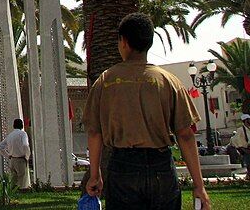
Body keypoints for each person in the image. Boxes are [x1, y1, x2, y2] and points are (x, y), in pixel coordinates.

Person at [83, 12, 210, 210]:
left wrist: (94, 175)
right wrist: (199, 186)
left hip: (122, 167)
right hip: (162, 167)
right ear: (149, 42)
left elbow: (94, 132)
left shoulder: (105, 81)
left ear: (123, 42)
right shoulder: (169, 81)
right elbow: (185, 135)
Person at [0, 118, 31, 189]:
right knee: (22, 181)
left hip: (12, 160)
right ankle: (22, 195)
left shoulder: (10, 135)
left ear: (13, 125)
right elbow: (25, 145)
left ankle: (13, 195)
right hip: (21, 159)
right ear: (22, 125)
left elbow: (0, 146)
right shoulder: (23, 134)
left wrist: (7, 155)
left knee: (13, 180)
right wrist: (27, 156)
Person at [229, 114, 250, 181]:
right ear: (245, 120)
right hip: (247, 150)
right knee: (249, 164)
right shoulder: (241, 130)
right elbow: (234, 140)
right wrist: (241, 148)